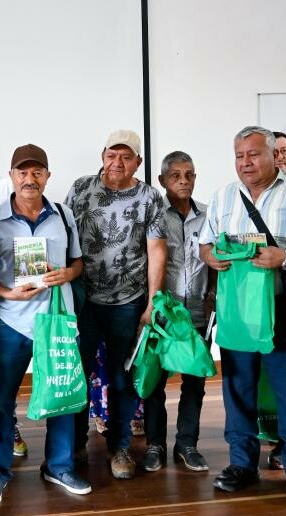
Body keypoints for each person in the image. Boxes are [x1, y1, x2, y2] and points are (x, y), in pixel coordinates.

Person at [199, 126, 286, 505]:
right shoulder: (224, 196)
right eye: (239, 155)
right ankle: (242, 464)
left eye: (253, 154)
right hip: (237, 312)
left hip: (284, 312)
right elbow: (205, 245)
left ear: (276, 155)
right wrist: (212, 257)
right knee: (238, 390)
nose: (246, 162)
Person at [0, 144, 89, 507]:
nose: (30, 178)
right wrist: (5, 293)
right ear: (11, 176)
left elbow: (78, 263)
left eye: (37, 171)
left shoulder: (63, 214)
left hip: (56, 320)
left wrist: (67, 274)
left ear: (47, 175)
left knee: (62, 394)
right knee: (0, 400)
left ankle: (59, 465)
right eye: (22, 172)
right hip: (10, 320)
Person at [64, 129, 167, 480]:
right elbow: (65, 238)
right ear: (102, 155)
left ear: (137, 162)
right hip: (83, 299)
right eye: (112, 154)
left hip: (128, 300)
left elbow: (156, 250)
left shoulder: (150, 197)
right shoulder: (81, 189)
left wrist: (153, 301)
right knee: (76, 372)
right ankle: (74, 443)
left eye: (126, 156)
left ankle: (120, 446)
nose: (117, 162)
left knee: (123, 376)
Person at [142, 151, 214, 473]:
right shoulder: (156, 217)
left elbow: (214, 259)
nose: (183, 181)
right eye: (175, 176)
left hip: (197, 311)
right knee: (156, 383)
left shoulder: (209, 216)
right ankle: (155, 444)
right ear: (162, 181)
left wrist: (212, 296)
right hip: (164, 315)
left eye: (189, 175)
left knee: (195, 381)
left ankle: (187, 444)